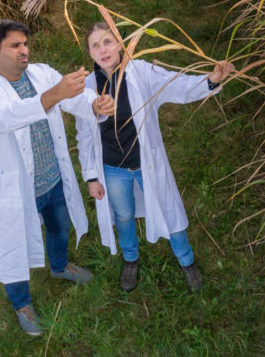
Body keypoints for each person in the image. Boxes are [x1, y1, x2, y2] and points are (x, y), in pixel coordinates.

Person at [0, 19, 113, 337]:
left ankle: (59, 267)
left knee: (59, 227)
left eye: (25, 44)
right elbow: (6, 118)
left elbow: (73, 100)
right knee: (14, 247)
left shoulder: (42, 73)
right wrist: (53, 95)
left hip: (54, 178)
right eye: (15, 46)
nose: (24, 51)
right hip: (19, 191)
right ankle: (21, 304)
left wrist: (95, 103)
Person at [77, 21, 235, 293]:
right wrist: (91, 176)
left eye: (107, 41)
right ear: (89, 53)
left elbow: (178, 85)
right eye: (95, 45)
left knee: (168, 209)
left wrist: (211, 81)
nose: (103, 50)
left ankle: (186, 261)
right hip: (113, 168)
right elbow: (84, 136)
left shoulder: (141, 72)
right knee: (124, 216)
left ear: (120, 44)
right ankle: (130, 258)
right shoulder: (88, 88)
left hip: (146, 162)